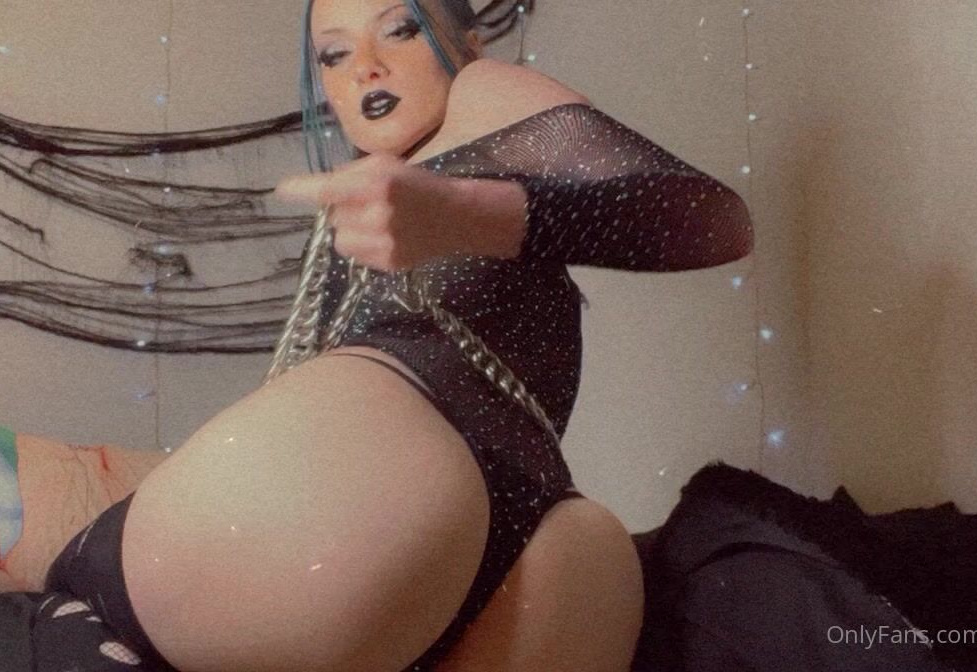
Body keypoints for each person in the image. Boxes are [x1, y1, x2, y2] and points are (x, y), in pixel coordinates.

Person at [42, 0, 754, 670]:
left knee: (59, 573)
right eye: (333, 54)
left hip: (465, 522)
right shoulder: (366, 199)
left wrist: (466, 214)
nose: (366, 67)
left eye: (400, 29)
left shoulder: (482, 95)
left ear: (466, 45)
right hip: (517, 538)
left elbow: (713, 222)